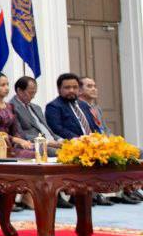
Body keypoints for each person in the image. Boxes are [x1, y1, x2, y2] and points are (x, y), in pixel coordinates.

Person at [46, 73, 111, 206]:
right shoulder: (54, 106)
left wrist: (97, 139)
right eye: (67, 87)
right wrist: (79, 139)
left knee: (109, 152)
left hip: (90, 142)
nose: (71, 90)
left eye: (75, 87)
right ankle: (79, 193)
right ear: (59, 89)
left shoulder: (84, 105)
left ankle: (94, 191)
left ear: (79, 89)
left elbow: (93, 126)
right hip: (70, 144)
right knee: (84, 154)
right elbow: (57, 129)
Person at [10, 76, 72, 208]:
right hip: (32, 144)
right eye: (30, 92)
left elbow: (47, 129)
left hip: (50, 141)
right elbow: (21, 134)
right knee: (57, 153)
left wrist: (60, 140)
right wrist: (48, 142)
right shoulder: (12, 107)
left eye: (35, 92)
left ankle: (70, 192)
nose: (33, 96)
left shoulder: (36, 107)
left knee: (74, 150)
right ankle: (56, 194)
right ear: (19, 91)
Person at [0, 73, 36, 211]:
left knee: (32, 152)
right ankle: (9, 199)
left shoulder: (10, 106)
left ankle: (25, 195)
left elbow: (15, 130)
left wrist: (20, 141)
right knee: (27, 155)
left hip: (11, 146)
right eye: (2, 85)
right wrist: (17, 140)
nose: (6, 88)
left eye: (7, 85)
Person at [81, 78, 140, 203]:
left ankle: (130, 188)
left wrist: (116, 141)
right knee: (114, 155)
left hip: (106, 140)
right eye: (89, 86)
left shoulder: (96, 108)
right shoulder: (79, 108)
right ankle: (119, 190)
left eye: (94, 86)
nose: (94, 89)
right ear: (80, 90)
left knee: (136, 152)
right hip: (94, 143)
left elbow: (105, 128)